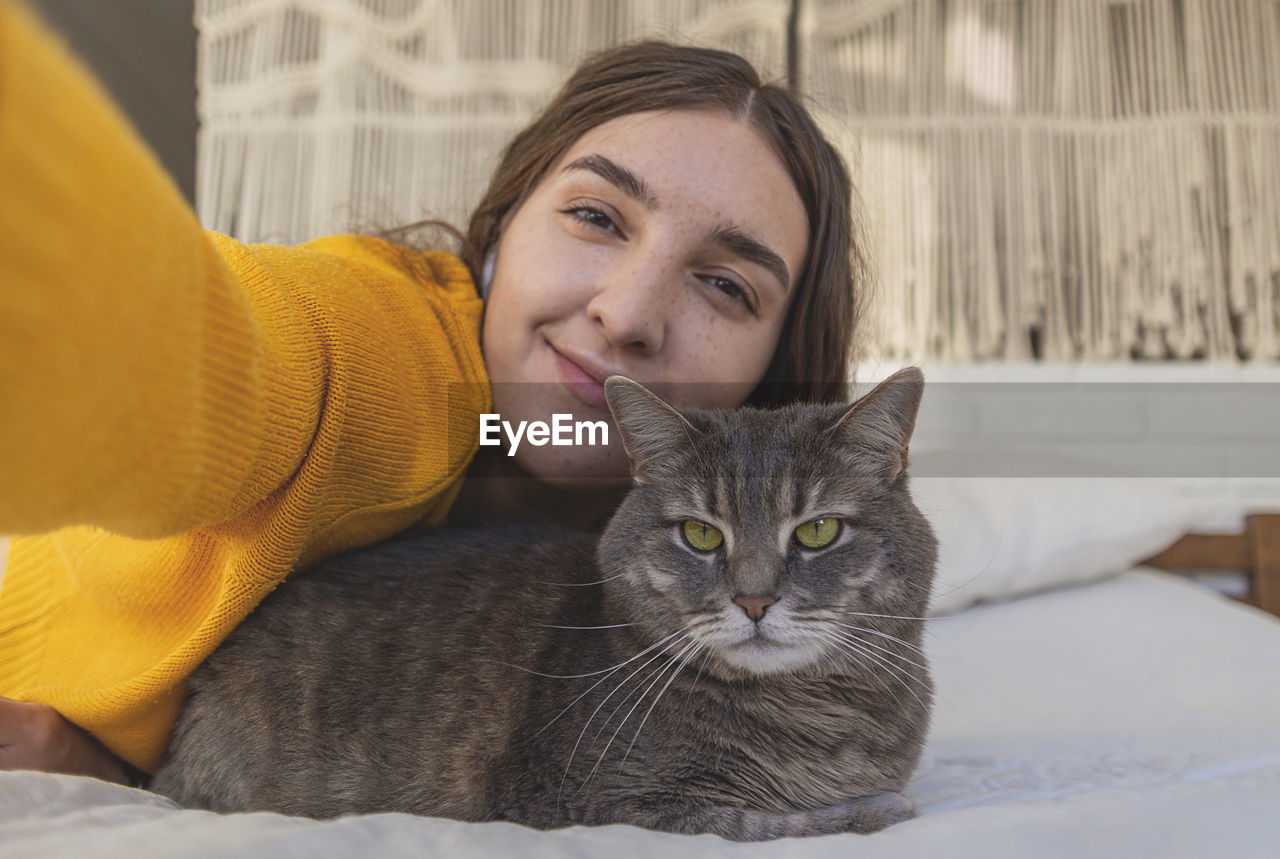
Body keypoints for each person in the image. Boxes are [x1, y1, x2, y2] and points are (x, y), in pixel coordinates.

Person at [0, 0, 865, 788]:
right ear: (499, 230)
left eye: (725, 286)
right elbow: (190, 347)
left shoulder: (698, 554)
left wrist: (105, 766)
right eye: (596, 217)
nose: (629, 313)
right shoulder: (380, 357)